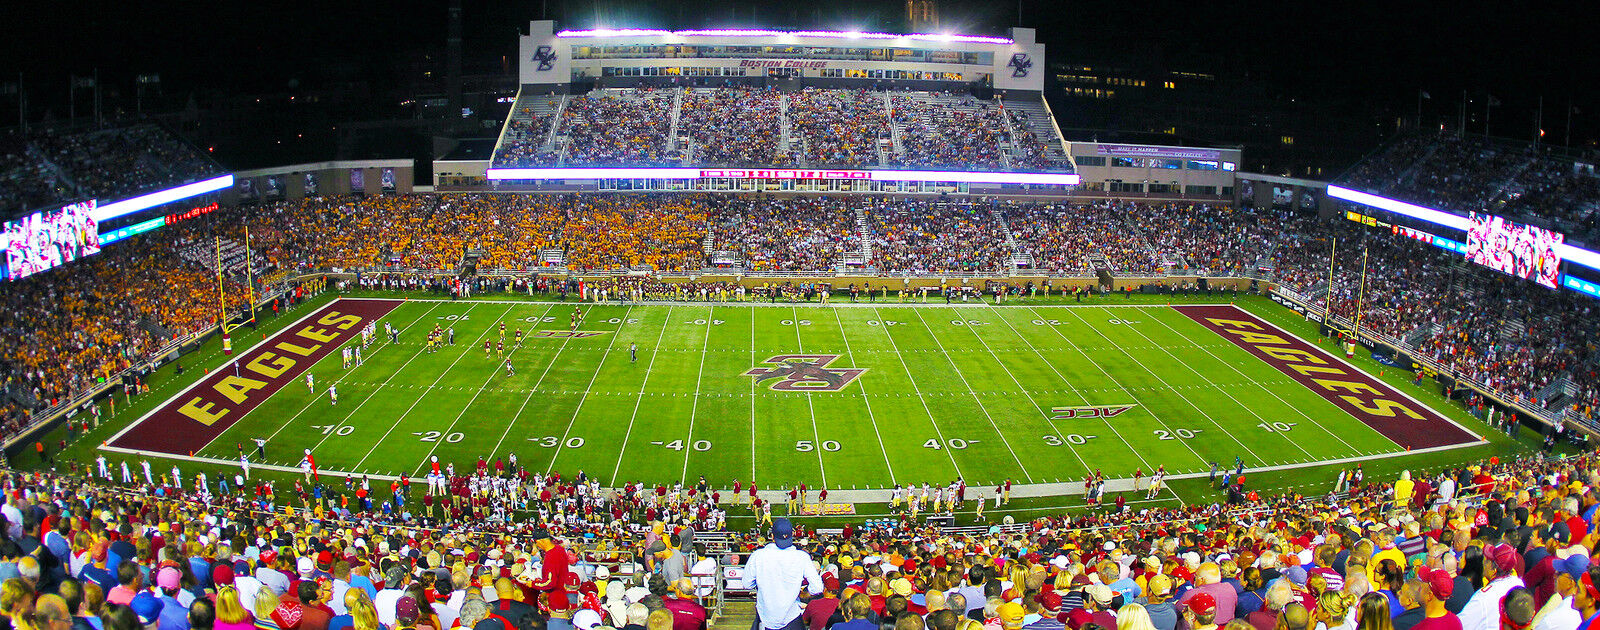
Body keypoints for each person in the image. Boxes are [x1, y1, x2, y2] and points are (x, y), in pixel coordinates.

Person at [742, 519, 822, 630]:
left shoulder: (758, 555)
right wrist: (805, 593)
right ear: (792, 534)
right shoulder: (801, 557)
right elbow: (817, 588)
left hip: (766, 617)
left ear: (772, 536)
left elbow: (747, 584)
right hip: (791, 618)